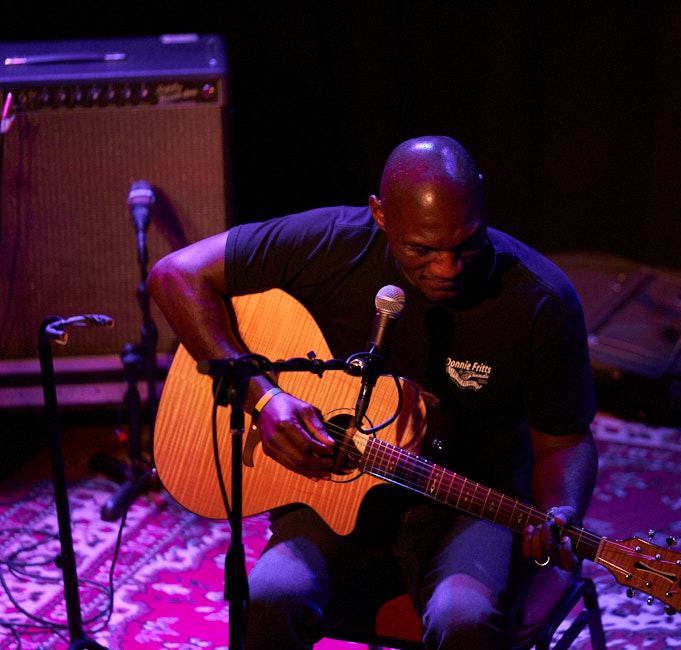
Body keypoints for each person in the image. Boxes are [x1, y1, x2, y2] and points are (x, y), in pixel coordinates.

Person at [147, 135, 598, 649]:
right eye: (421, 250)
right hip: (332, 496)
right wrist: (264, 397)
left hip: (467, 506)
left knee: (463, 619)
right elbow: (175, 275)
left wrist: (562, 509)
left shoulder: (542, 301)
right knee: (271, 599)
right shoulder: (331, 242)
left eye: (466, 243)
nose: (449, 268)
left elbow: (564, 440)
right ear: (380, 215)